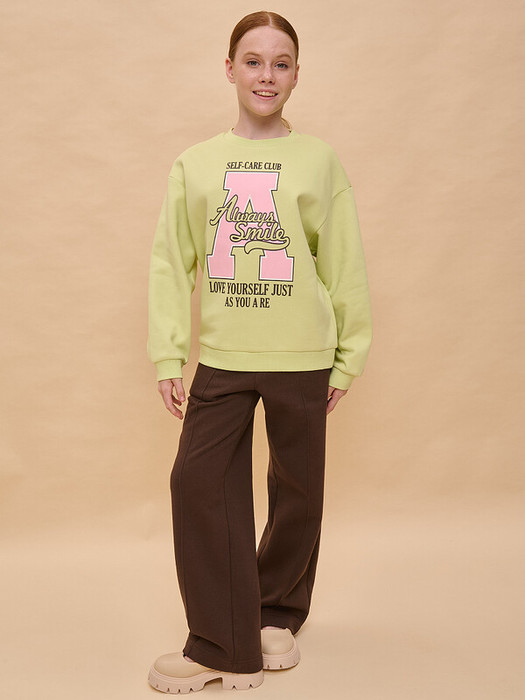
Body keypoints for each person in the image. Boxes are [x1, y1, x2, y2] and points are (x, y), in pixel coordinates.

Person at [147, 10, 372, 694]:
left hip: (303, 352)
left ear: (296, 74)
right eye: (252, 61)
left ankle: (275, 614)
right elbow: (171, 262)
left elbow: (342, 261)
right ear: (229, 69)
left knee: (297, 490)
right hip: (224, 353)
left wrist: (349, 354)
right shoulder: (195, 163)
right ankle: (222, 642)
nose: (266, 75)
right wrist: (169, 354)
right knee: (197, 483)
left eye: (280, 63)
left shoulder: (318, 161)